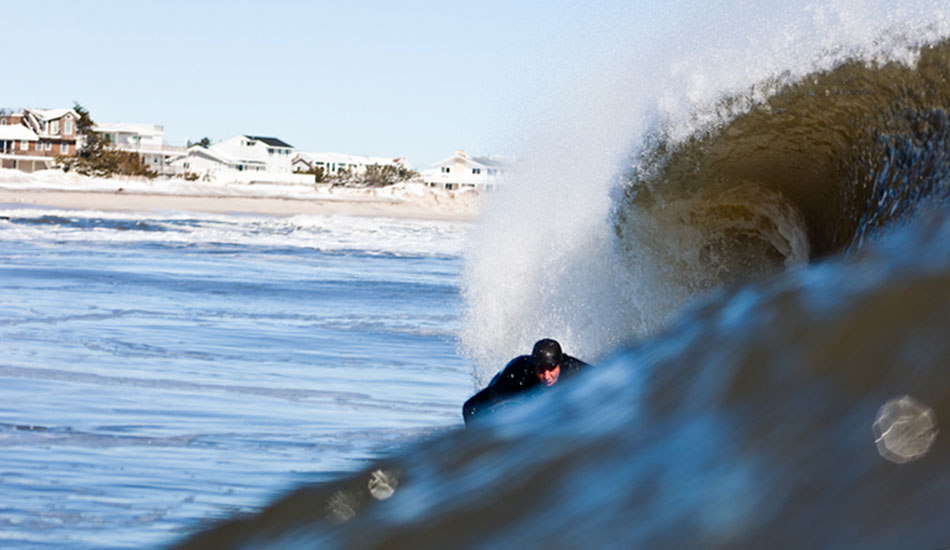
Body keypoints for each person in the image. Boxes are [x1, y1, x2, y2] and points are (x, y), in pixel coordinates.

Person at [462, 338, 592, 425]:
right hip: (517, 400)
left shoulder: (574, 370)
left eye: (551, 369)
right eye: (541, 369)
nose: (547, 376)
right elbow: (470, 408)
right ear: (534, 366)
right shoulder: (518, 375)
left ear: (560, 363)